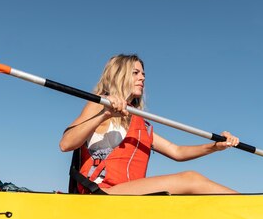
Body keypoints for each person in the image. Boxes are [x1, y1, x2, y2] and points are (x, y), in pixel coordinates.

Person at [59, 54, 239, 195]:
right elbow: (66, 143)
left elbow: (177, 152)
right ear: (118, 74)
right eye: (135, 73)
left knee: (191, 188)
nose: (142, 78)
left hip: (127, 198)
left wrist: (215, 147)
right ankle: (258, 209)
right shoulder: (100, 104)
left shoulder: (142, 126)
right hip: (101, 193)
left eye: (143, 74)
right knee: (190, 179)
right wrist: (105, 115)